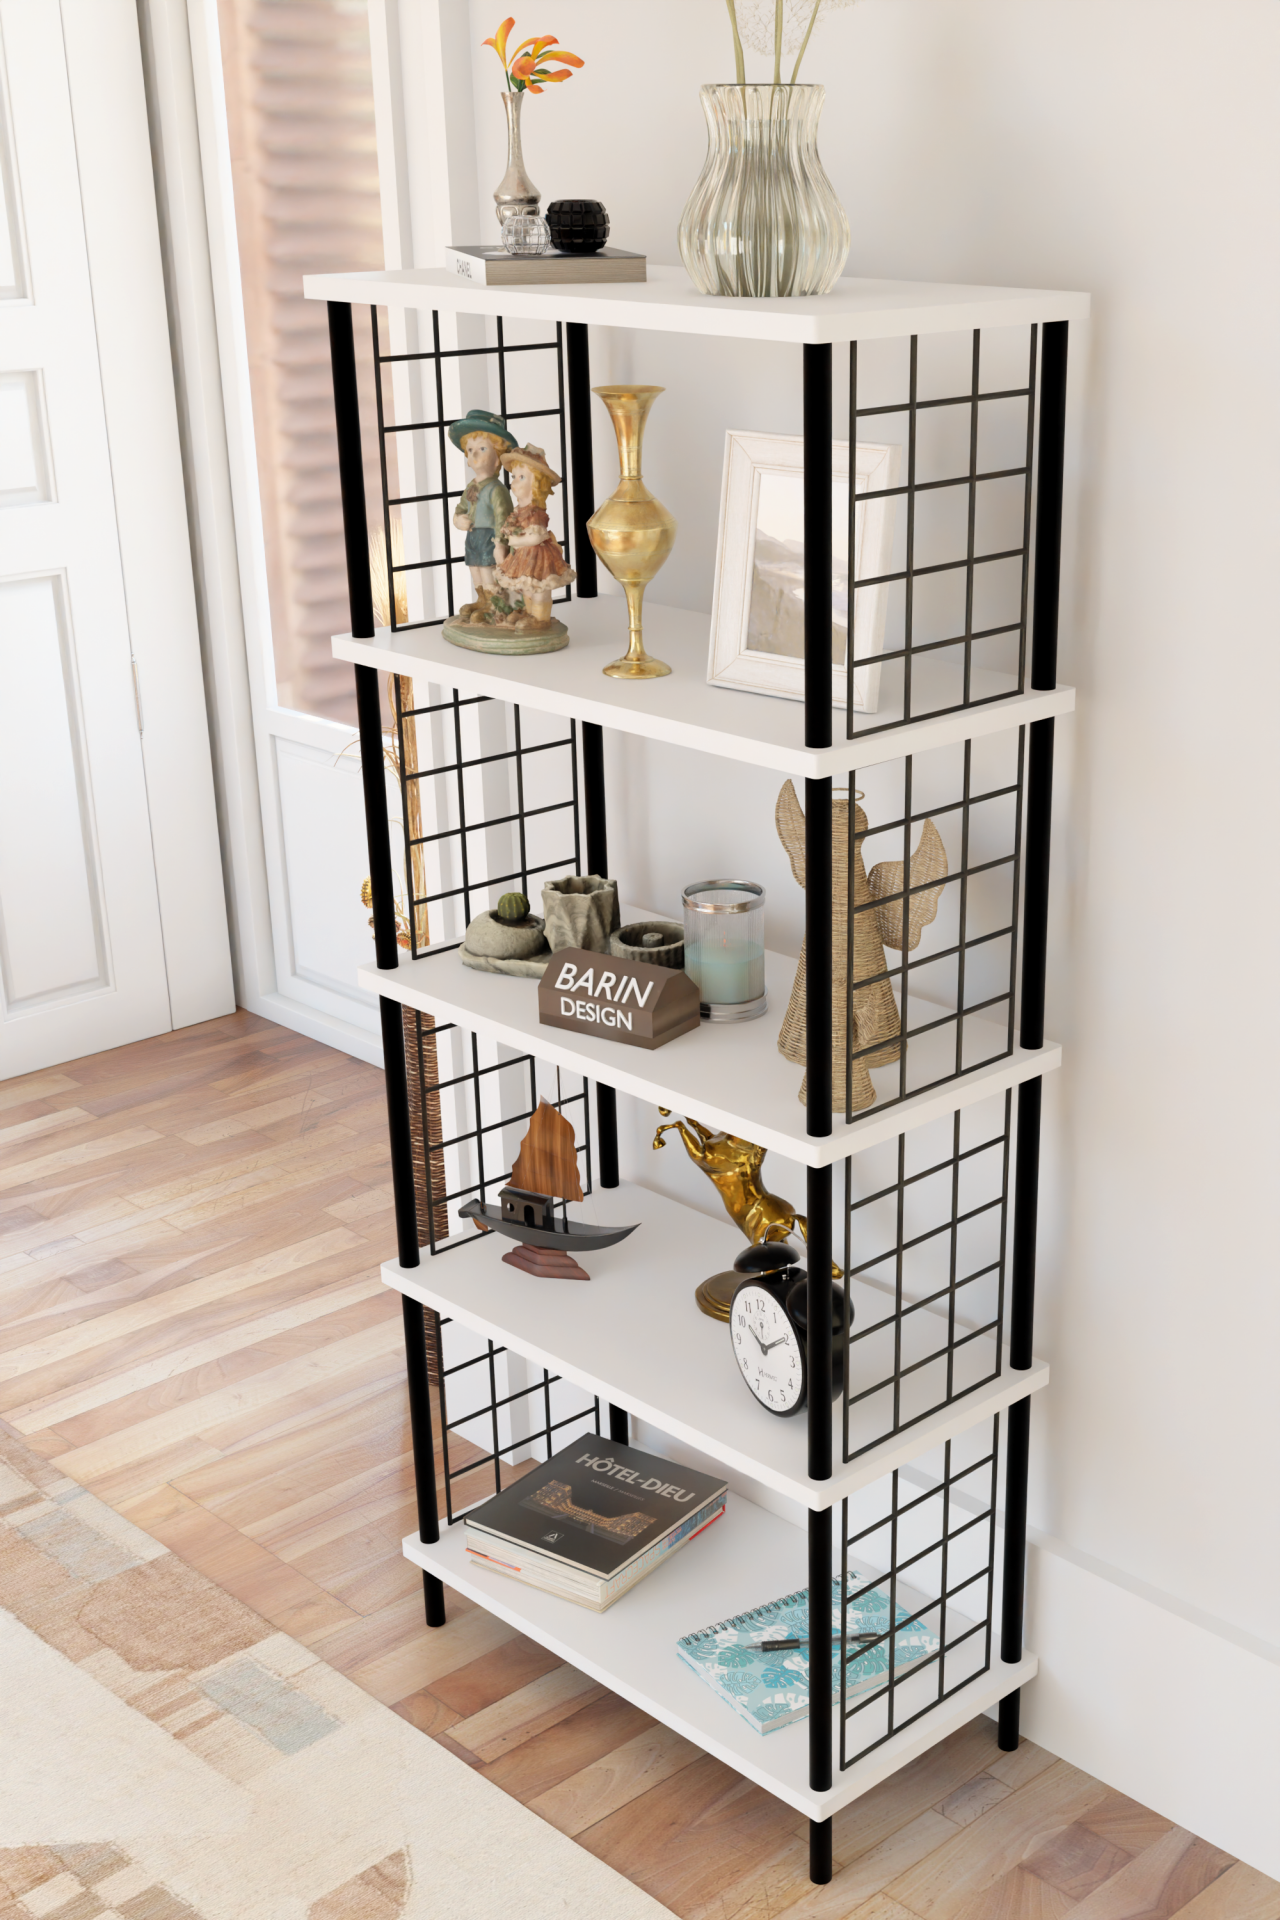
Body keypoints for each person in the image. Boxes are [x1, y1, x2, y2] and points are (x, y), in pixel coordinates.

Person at [493, 443, 575, 626]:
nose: (514, 482)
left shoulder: (535, 512)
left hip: (538, 556)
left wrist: (514, 540)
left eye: (521, 477)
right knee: (527, 588)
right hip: (523, 556)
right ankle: (530, 614)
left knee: (539, 588)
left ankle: (540, 619)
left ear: (536, 484)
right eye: (514, 476)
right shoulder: (518, 511)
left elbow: (537, 537)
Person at [449, 407, 517, 618]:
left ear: (497, 458)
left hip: (490, 537)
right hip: (473, 537)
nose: (474, 454)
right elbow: (461, 508)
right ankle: (482, 600)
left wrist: (500, 544)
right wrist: (458, 519)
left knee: (488, 570)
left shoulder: (497, 489)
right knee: (475, 569)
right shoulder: (471, 487)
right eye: (470, 450)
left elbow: (504, 518)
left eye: (482, 449)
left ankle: (495, 605)